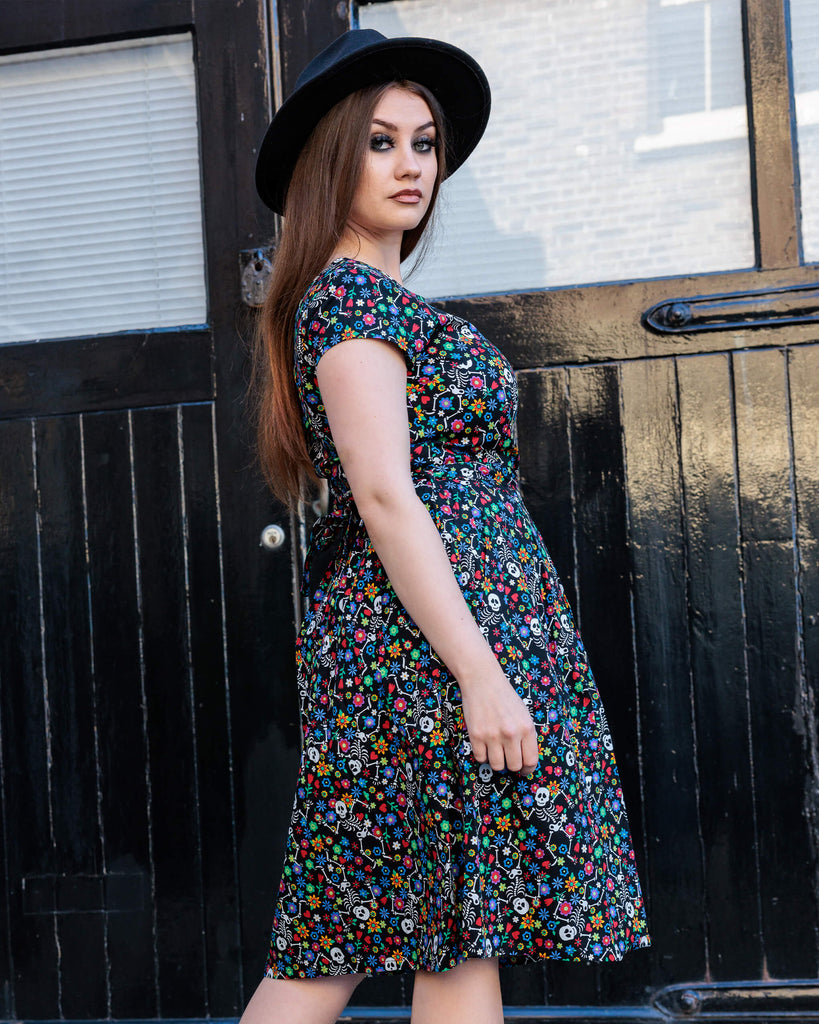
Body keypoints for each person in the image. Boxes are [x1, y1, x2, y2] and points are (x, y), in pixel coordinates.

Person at [241, 27, 651, 1024]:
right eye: (381, 141)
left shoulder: (373, 300)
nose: (412, 165)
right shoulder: (347, 305)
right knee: (356, 936)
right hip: (421, 654)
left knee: (451, 924)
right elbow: (385, 497)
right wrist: (480, 671)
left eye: (424, 143)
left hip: (435, 644)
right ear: (331, 158)